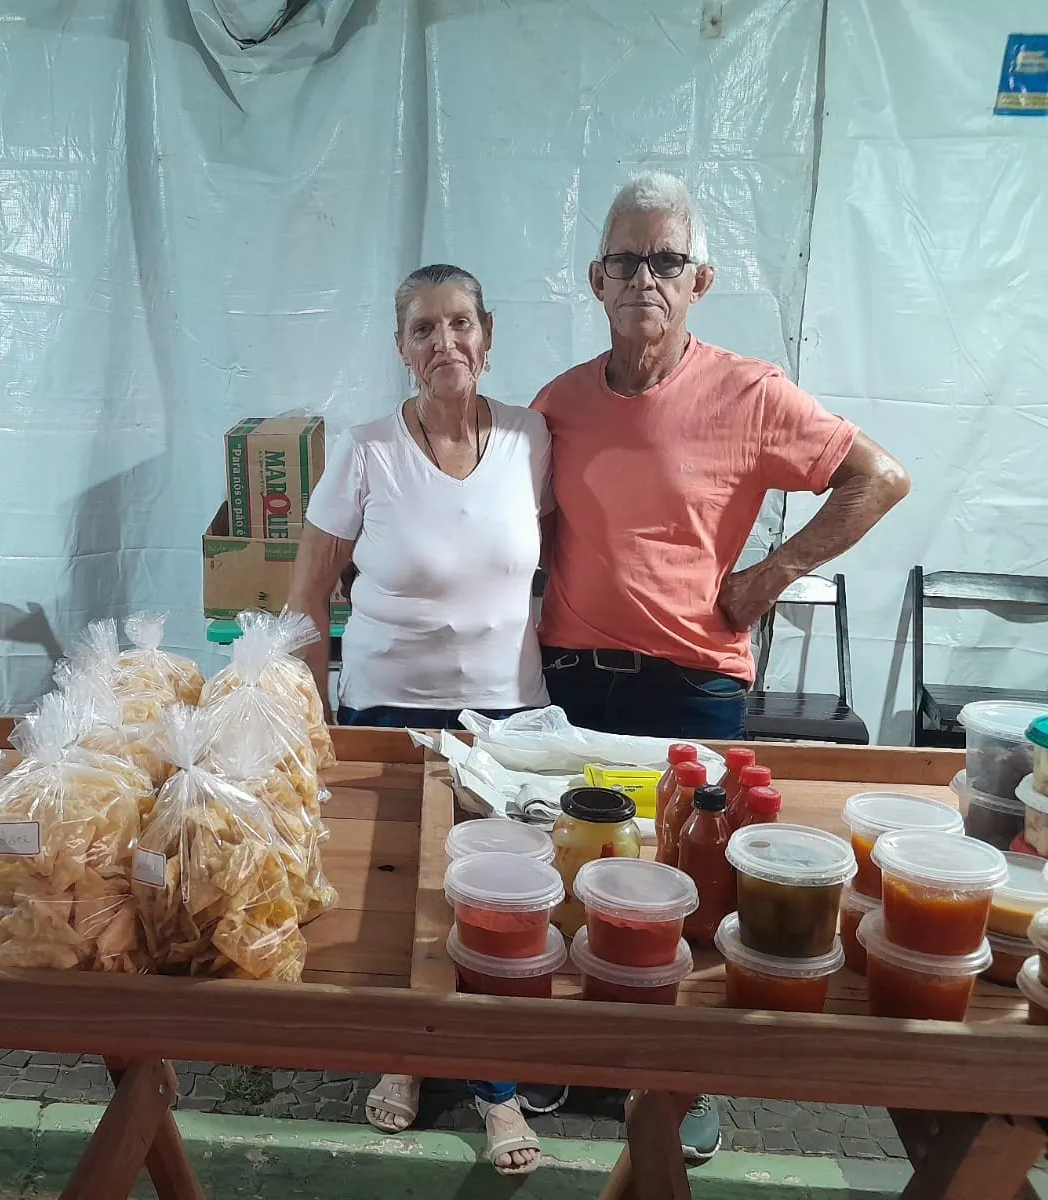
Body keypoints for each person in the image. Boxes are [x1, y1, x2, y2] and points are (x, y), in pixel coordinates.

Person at [535, 172, 911, 1163]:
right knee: (579, 873)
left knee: (689, 894)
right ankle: (573, 1050)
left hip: (692, 684)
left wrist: (774, 572)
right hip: (571, 677)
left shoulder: (748, 392)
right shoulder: (559, 403)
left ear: (699, 280)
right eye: (626, 261)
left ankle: (675, 1082)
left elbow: (879, 478)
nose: (644, 279)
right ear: (595, 279)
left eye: (666, 260)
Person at [287, 264, 554, 1175]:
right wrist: (315, 730)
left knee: (497, 907)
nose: (446, 343)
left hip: (505, 715)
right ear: (402, 349)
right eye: (424, 330)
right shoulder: (366, 451)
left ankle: (496, 1087)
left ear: (489, 333)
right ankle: (403, 1052)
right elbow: (306, 597)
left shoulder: (528, 437)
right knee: (395, 896)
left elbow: (542, 555)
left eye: (461, 324)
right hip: (388, 707)